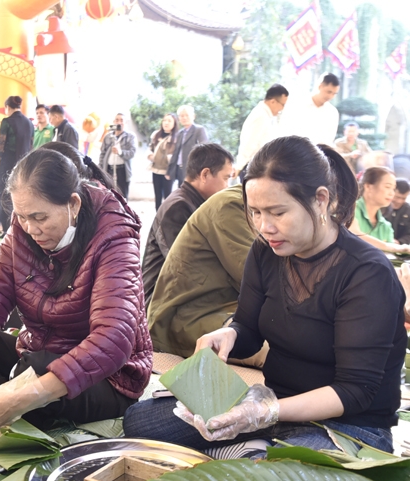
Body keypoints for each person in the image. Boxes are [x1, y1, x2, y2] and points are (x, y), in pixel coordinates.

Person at [124, 136, 406, 455]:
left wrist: (267, 412)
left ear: (321, 200)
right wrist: (228, 334)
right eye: (255, 212)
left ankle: (254, 451)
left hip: (347, 424)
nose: (264, 227)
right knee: (142, 421)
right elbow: (249, 330)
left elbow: (355, 392)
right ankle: (253, 448)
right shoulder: (266, 251)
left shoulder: (366, 273)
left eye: (277, 212)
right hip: (272, 405)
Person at [0, 148, 153, 449]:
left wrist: (29, 393)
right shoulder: (24, 231)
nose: (30, 228)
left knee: (35, 370)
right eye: (21, 217)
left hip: (105, 378)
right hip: (35, 355)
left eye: (39, 217)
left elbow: (113, 340)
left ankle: (16, 400)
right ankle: (5, 401)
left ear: (73, 204)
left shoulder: (114, 237)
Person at [148, 185, 255, 358]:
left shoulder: (240, 203)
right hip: (187, 316)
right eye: (224, 177)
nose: (268, 225)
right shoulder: (227, 205)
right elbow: (256, 280)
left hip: (221, 306)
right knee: (288, 347)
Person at [142, 143, 234, 307]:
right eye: (226, 178)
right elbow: (185, 267)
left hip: (180, 294)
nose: (228, 186)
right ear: (205, 174)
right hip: (159, 302)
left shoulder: (195, 203)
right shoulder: (179, 207)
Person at [0, 96, 34, 236]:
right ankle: (22, 229)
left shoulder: (7, 122)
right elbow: (31, 145)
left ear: (7, 107)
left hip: (7, 163)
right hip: (24, 165)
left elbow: (0, 144)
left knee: (4, 195)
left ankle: (7, 229)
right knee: (23, 196)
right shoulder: (29, 123)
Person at [349, 167, 410, 253]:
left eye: (393, 189)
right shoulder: (349, 210)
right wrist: (390, 247)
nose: (391, 193)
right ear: (368, 187)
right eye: (387, 187)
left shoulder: (386, 227)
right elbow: (352, 235)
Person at [235, 84, 289, 176]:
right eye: (282, 104)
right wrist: (239, 167)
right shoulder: (260, 116)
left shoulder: (266, 116)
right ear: (272, 102)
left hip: (257, 167)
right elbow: (249, 143)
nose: (282, 108)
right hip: (251, 167)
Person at [278, 73, 340, 146]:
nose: (330, 96)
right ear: (320, 86)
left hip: (318, 155)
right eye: (329, 92)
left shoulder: (332, 113)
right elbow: (284, 129)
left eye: (334, 94)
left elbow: (329, 140)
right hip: (292, 151)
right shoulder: (296, 104)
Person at [166, 105, 209, 189]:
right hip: (179, 169)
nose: (184, 118)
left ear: (193, 116)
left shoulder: (199, 130)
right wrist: (169, 170)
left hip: (192, 169)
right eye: (182, 116)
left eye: (187, 115)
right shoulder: (180, 133)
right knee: (181, 193)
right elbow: (176, 153)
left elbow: (204, 150)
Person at [98, 113, 136, 198]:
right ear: (114, 122)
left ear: (125, 123)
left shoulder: (130, 137)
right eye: (117, 120)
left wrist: (120, 152)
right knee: (109, 195)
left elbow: (132, 152)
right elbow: (102, 153)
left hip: (122, 170)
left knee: (122, 196)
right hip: (108, 169)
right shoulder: (108, 136)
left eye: (121, 120)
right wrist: (100, 169)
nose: (119, 122)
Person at [148, 113, 178, 211]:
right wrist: (150, 155)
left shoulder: (177, 137)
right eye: (165, 120)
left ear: (174, 123)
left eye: (169, 121)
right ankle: (157, 217)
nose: (166, 123)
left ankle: (166, 218)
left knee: (167, 196)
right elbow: (150, 147)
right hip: (155, 169)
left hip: (167, 170)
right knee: (157, 195)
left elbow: (176, 155)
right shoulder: (156, 134)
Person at [382, 177, 410, 245]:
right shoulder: (381, 206)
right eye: (397, 197)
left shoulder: (408, 210)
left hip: (400, 248)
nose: (399, 201)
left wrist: (400, 242)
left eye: (403, 198)